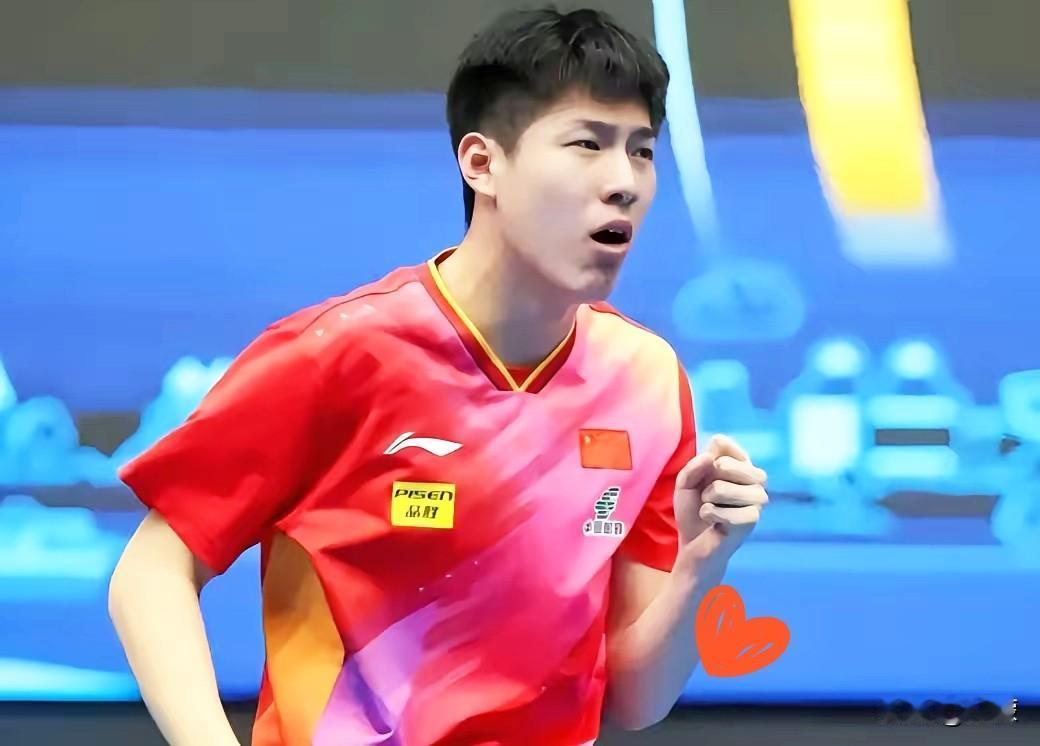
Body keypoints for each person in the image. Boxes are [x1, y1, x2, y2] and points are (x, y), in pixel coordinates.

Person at [108, 7, 770, 745]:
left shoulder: (646, 380)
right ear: (482, 163)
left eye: (641, 151)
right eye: (587, 144)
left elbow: (635, 700)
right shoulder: (337, 353)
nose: (624, 182)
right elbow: (152, 572)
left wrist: (702, 564)